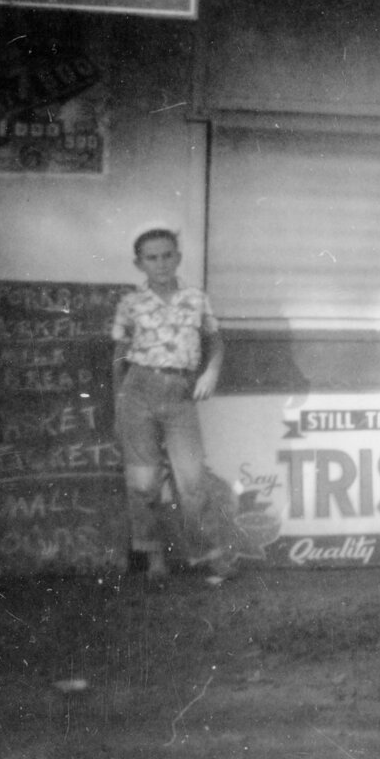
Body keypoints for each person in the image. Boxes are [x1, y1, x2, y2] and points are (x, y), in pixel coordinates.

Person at [111, 227, 236, 583]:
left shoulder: (196, 299)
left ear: (178, 258)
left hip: (180, 392)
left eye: (168, 255)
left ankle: (208, 555)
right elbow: (118, 357)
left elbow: (216, 342)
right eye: (152, 257)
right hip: (138, 389)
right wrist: (120, 405)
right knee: (143, 479)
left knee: (192, 478)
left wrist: (210, 372)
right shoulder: (130, 304)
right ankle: (153, 559)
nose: (161, 263)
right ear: (139, 263)